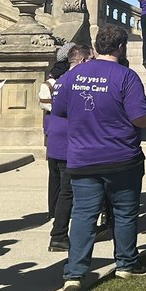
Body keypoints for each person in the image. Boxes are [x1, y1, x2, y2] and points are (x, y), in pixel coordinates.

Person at [53, 23, 146, 291]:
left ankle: (74, 273)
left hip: (82, 157)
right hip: (121, 155)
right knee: (124, 213)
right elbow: (139, 116)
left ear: (97, 46)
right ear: (121, 47)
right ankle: (126, 264)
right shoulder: (126, 76)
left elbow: (60, 109)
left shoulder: (72, 76)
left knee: (84, 215)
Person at [44, 44, 87, 251]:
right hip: (69, 141)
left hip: (56, 138)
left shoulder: (60, 81)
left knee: (62, 187)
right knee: (68, 191)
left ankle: (59, 230)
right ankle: (59, 234)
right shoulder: (77, 82)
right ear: (82, 61)